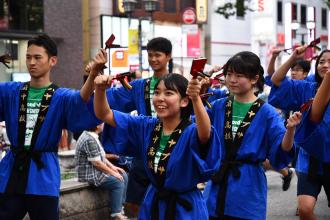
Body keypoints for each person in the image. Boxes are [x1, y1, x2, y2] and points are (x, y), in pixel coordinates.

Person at [93, 62, 221, 220]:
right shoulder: (146, 126)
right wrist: (99, 90)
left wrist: (196, 98)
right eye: (157, 92)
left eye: (168, 93)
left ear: (184, 101)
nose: (160, 98)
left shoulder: (191, 131)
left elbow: (205, 133)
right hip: (153, 204)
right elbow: (104, 114)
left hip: (185, 210)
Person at [0, 34, 100, 220]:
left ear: (52, 60)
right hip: (11, 171)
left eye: (37, 57)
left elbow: (81, 100)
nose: (31, 62)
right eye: (28, 57)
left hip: (43, 173)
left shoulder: (61, 96)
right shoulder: (10, 91)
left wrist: (93, 75)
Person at [203, 51, 301, 219]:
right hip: (217, 184)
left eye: (239, 75)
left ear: (254, 79)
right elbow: (198, 133)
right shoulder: (218, 106)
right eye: (229, 74)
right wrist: (198, 96)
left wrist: (290, 130)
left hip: (248, 186)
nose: (232, 80)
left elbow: (280, 151)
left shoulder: (267, 112)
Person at [90, 37, 173, 217]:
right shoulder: (139, 86)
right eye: (150, 55)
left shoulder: (181, 85)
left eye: (157, 55)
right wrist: (94, 77)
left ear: (168, 56)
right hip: (143, 152)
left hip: (171, 151)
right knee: (134, 206)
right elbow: (108, 102)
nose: (153, 60)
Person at [269, 47, 330, 220]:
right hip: (309, 158)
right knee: (304, 209)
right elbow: (277, 80)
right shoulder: (307, 88)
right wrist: (292, 59)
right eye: (321, 61)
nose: (325, 65)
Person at [75, 124, 128, 220]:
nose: (104, 124)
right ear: (97, 125)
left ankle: (120, 208)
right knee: (118, 182)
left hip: (95, 170)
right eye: (102, 123)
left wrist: (114, 168)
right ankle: (115, 214)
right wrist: (113, 173)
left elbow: (101, 157)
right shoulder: (89, 139)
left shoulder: (92, 135)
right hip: (90, 174)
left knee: (123, 174)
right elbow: (97, 163)